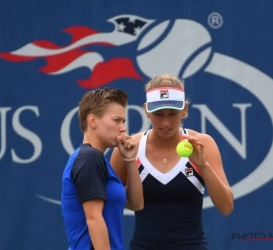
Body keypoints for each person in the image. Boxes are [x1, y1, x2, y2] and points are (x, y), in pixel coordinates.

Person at [110, 75, 234, 250]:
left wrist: (203, 165)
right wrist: (130, 162)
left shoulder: (203, 143)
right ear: (146, 110)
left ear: (185, 109)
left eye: (173, 113)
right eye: (158, 114)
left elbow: (226, 207)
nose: (166, 122)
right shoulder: (128, 149)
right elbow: (118, 205)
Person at [61, 87, 144, 250]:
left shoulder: (96, 159)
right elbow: (93, 218)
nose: (123, 128)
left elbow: (136, 204)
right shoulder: (90, 158)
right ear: (92, 121)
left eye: (123, 121)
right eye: (116, 120)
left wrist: (129, 159)